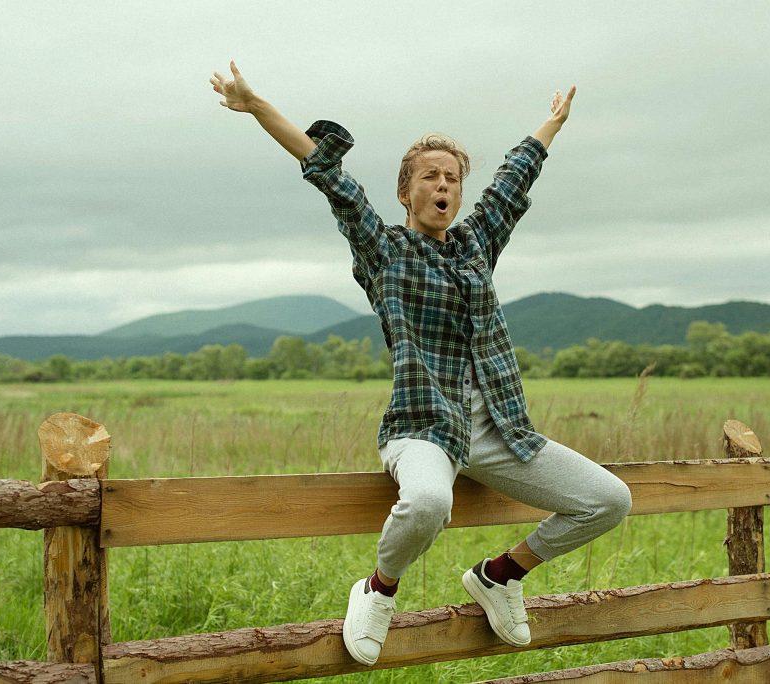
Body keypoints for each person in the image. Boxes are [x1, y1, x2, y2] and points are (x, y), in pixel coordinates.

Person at [210, 61, 632, 667]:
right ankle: (379, 590)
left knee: (608, 500)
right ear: (406, 192)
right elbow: (327, 172)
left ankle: (500, 575)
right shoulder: (384, 250)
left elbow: (514, 179)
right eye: (430, 177)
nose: (444, 186)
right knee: (431, 503)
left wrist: (551, 124)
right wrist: (256, 106)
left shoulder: (476, 245)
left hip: (500, 431)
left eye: (453, 178)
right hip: (424, 429)